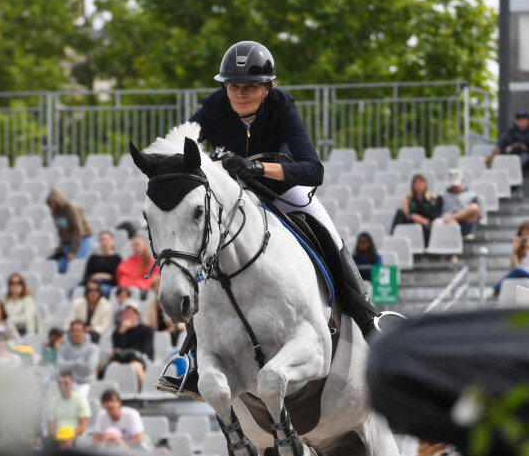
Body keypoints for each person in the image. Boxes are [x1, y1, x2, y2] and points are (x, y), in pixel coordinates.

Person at [189, 40, 393, 342]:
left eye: (250, 86)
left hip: (280, 191)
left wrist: (257, 168)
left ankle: (366, 317)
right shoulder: (214, 106)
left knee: (327, 232)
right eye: (233, 86)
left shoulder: (282, 106)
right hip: (233, 199)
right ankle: (192, 346)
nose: (240, 93)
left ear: (268, 86)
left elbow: (313, 170)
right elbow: (183, 144)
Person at [106, 299, 154, 391]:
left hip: (140, 358)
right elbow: (118, 349)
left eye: (131, 313)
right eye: (126, 313)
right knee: (112, 366)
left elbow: (146, 350)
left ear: (138, 315)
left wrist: (128, 351)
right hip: (123, 359)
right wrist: (121, 332)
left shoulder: (147, 330)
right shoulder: (117, 332)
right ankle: (113, 393)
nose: (128, 315)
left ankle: (143, 391)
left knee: (135, 366)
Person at [46, 187, 95, 274]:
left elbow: (78, 230)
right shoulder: (55, 212)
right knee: (60, 266)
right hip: (69, 240)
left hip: (83, 237)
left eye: (54, 202)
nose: (52, 205)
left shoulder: (71, 209)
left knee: (73, 264)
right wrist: (62, 242)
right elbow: (61, 229)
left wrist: (73, 251)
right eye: (50, 203)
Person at [391, 173, 440, 246]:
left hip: (425, 223)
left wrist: (422, 220)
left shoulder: (431, 199)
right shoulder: (408, 199)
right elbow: (405, 214)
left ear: (425, 184)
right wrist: (413, 217)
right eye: (416, 183)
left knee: (426, 226)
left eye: (420, 183)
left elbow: (433, 216)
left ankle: (426, 250)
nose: (418, 185)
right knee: (399, 212)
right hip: (411, 222)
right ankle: (393, 236)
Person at [56, 320, 99, 395]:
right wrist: (79, 362)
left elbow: (90, 367)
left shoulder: (93, 348)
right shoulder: (63, 349)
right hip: (67, 384)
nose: (76, 334)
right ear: (69, 333)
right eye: (73, 331)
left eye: (78, 330)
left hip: (86, 384)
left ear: (84, 332)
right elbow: (61, 366)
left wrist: (69, 366)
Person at [46, 370, 91, 441]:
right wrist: (60, 437)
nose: (62, 387)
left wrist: (68, 436)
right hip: (58, 437)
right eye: (60, 383)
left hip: (76, 436)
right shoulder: (53, 402)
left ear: (72, 383)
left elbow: (82, 426)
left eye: (66, 383)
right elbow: (51, 428)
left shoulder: (81, 400)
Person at [435, 168, 480, 238]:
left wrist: (455, 216)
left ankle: (446, 220)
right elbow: (436, 213)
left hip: (466, 222)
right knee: (452, 223)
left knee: (474, 207)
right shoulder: (442, 195)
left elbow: (475, 212)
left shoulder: (471, 195)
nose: (455, 187)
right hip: (449, 225)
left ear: (462, 181)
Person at [77, 230, 122, 298]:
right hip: (91, 283)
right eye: (102, 240)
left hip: (107, 285)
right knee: (76, 290)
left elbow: (116, 279)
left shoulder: (117, 259)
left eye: (106, 240)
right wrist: (102, 276)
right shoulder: (93, 258)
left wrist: (99, 277)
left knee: (101, 290)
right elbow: (87, 276)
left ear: (112, 241)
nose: (104, 242)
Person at [65, 278, 112, 344]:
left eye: (96, 290)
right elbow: (70, 321)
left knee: (91, 334)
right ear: (86, 292)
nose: (93, 293)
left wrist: (90, 329)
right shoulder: (78, 303)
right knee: (69, 334)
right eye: (90, 290)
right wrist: (79, 329)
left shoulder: (106, 306)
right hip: (78, 330)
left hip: (94, 333)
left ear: (100, 292)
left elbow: (104, 326)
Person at [144, 276, 184, 347]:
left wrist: (163, 334)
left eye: (159, 285)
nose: (157, 288)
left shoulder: (173, 302)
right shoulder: (150, 305)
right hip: (156, 334)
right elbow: (147, 324)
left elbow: (176, 325)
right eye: (154, 286)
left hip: (172, 334)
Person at [115, 234, 159, 299]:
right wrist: (134, 285)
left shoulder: (151, 262)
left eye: (138, 244)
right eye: (134, 245)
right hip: (128, 290)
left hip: (144, 291)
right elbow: (122, 278)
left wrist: (137, 284)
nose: (135, 247)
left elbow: (153, 279)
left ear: (144, 245)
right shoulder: (126, 262)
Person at [493, 220, 529, 295]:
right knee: (517, 271)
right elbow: (514, 268)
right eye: (522, 234)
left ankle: (494, 291)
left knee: (518, 271)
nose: (524, 237)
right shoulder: (519, 251)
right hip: (522, 277)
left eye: (526, 234)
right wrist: (514, 250)